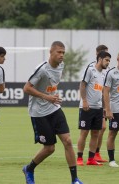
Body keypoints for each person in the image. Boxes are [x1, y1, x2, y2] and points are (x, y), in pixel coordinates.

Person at [22, 41, 83, 184]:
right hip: (39, 113)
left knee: (67, 141)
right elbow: (26, 88)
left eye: (63, 53)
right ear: (51, 52)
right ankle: (29, 169)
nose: (62, 55)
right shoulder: (42, 69)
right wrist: (47, 97)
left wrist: (52, 96)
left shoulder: (61, 66)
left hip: (54, 108)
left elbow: (51, 85)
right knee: (49, 148)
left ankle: (75, 180)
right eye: (59, 52)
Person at [76, 51, 111, 166]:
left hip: (98, 108)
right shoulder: (90, 70)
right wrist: (84, 101)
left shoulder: (104, 74)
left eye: (109, 60)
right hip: (87, 107)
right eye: (106, 60)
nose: (108, 63)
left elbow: (102, 91)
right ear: (100, 59)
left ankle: (91, 159)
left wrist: (105, 107)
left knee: (96, 133)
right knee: (84, 132)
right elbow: (82, 85)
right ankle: (79, 158)